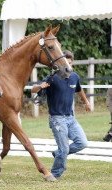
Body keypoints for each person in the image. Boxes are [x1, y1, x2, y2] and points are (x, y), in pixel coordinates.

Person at [31, 50, 91, 179]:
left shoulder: (75, 77)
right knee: (64, 150)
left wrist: (86, 102)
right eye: (66, 63)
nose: (68, 66)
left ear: (72, 63)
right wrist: (40, 86)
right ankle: (55, 174)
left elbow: (79, 90)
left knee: (82, 143)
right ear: (60, 63)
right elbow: (33, 90)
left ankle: (58, 153)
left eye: (70, 63)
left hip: (71, 118)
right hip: (57, 119)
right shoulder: (52, 78)